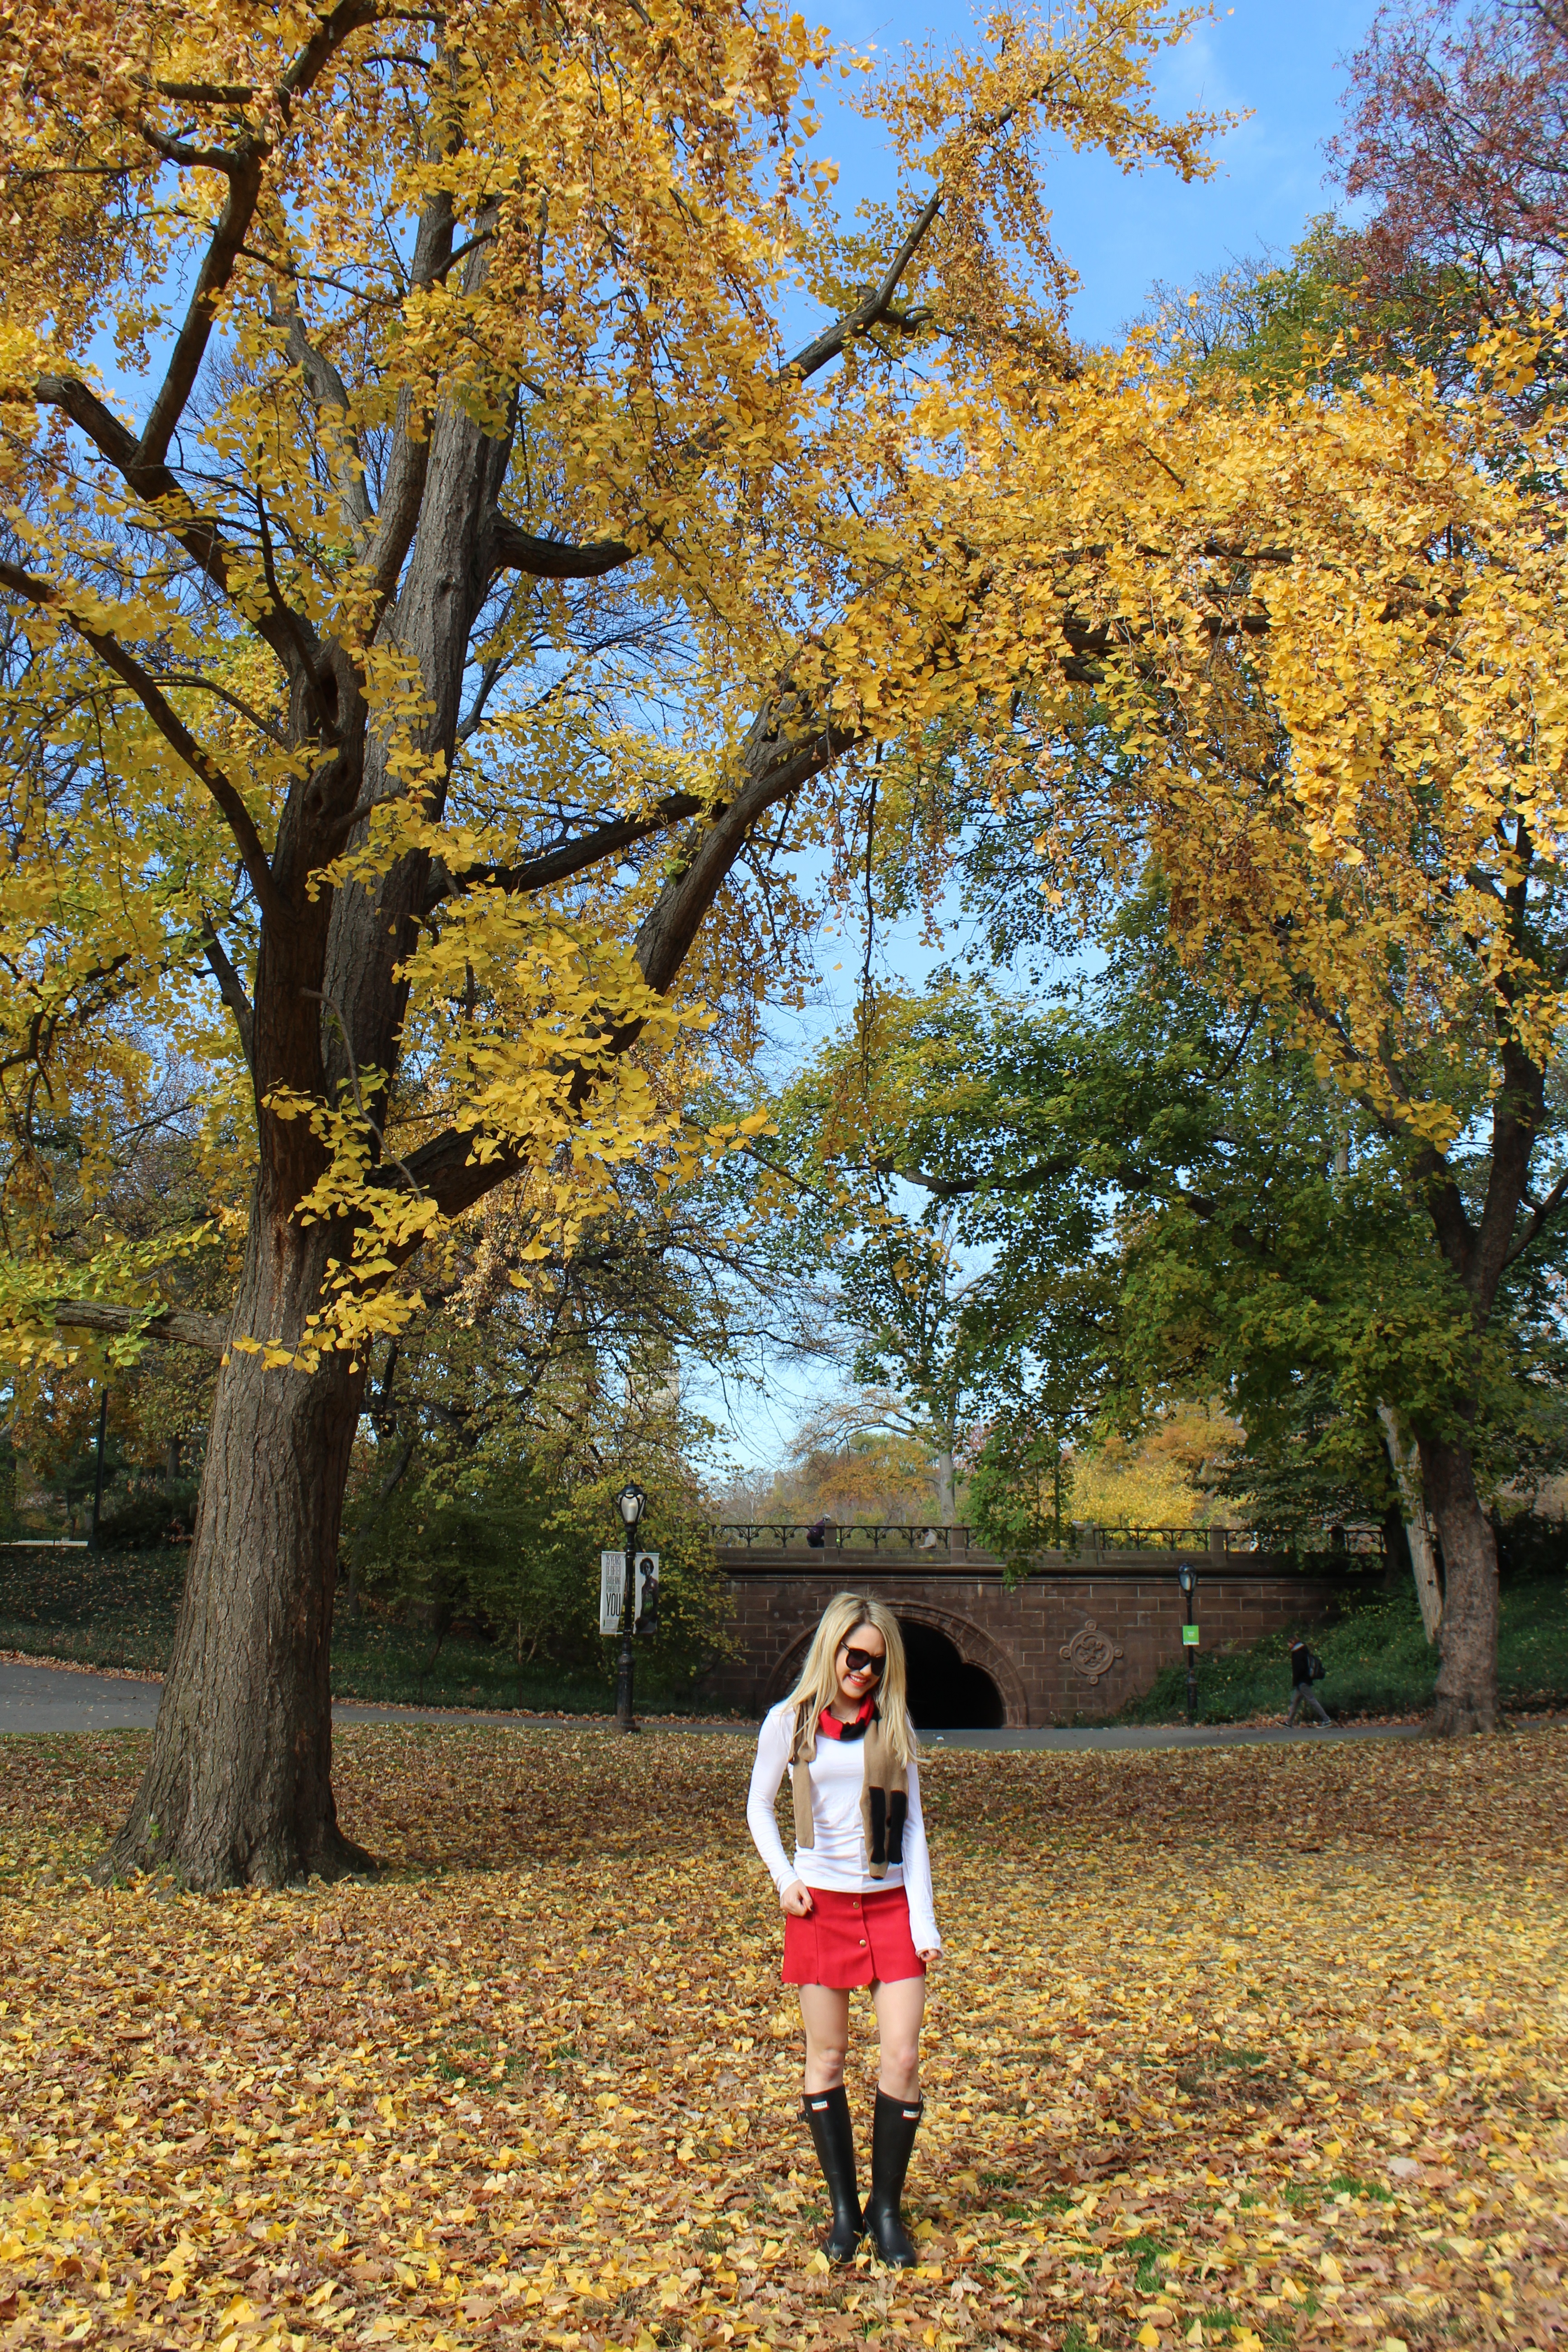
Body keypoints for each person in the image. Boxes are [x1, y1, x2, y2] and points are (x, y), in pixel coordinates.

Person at [746, 1592, 941, 2269]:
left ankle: (886, 2211)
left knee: (903, 2058)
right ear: (831, 1649)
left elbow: (912, 1825)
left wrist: (924, 1918)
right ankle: (844, 2211)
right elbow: (758, 1806)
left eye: (876, 1664)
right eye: (854, 1657)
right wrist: (783, 1879)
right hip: (820, 1904)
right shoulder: (790, 1720)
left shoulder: (893, 1722)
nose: (863, 1671)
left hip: (887, 1905)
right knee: (827, 2059)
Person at [1286, 1634, 1332, 1726]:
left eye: (1288, 1643)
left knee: (1312, 1700)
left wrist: (1297, 1680)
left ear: (1293, 1642)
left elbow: (1300, 1669)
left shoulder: (1298, 1653)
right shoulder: (1303, 1651)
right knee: (1295, 1701)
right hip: (1302, 1682)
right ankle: (1289, 1722)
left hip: (1302, 1682)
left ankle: (1326, 1719)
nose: (1288, 1645)